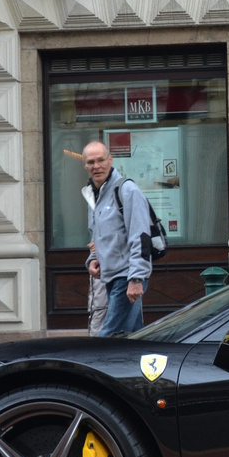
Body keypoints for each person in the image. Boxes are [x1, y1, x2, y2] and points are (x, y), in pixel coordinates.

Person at [82, 140, 154, 336]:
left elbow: (141, 236)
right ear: (85, 165)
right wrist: (94, 258)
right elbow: (98, 236)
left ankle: (94, 366)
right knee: (134, 337)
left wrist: (137, 278)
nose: (96, 166)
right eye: (90, 162)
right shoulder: (93, 195)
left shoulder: (127, 190)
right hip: (111, 276)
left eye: (101, 160)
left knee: (109, 338)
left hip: (127, 276)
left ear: (110, 160)